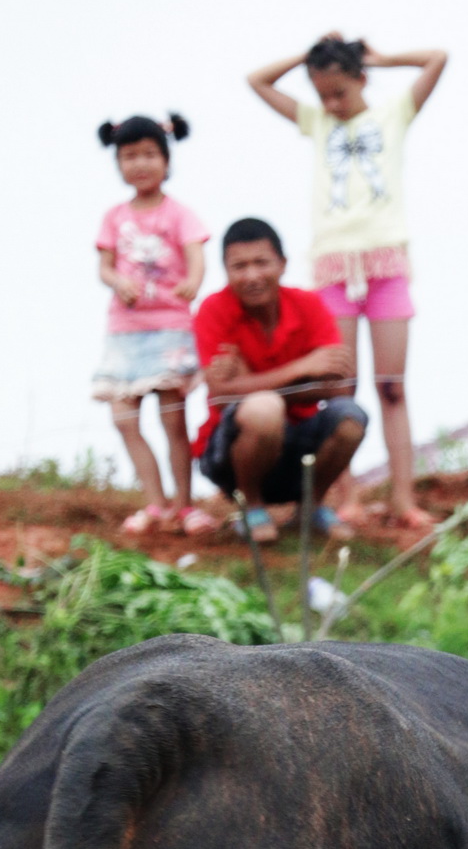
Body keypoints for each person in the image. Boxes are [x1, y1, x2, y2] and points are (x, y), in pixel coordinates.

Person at [249, 33, 448, 530]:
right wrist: (307, 53)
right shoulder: (316, 123)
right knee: (341, 387)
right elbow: (256, 80)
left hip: (386, 264)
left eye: (340, 92)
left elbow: (437, 57)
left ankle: (403, 499)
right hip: (333, 265)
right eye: (323, 95)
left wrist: (380, 57)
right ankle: (345, 496)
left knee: (392, 387)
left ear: (361, 79)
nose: (332, 104)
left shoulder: (394, 113)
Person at [192, 220, 367, 542]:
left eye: (261, 263)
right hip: (229, 452)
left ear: (282, 264)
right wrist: (302, 369)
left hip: (299, 443)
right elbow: (220, 394)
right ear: (226, 271)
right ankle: (253, 508)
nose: (252, 276)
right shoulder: (212, 310)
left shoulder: (309, 304)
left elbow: (341, 387)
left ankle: (310, 508)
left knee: (351, 417)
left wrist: (249, 383)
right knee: (263, 410)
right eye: (239, 266)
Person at [90, 114, 212, 535]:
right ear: (118, 162)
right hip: (125, 330)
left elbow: (196, 256)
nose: (139, 164)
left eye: (148, 154)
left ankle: (184, 505)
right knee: (123, 418)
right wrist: (117, 281)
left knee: (172, 419)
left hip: (169, 327)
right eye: (129, 156)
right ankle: (154, 503)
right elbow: (104, 266)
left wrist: (193, 283)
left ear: (165, 159)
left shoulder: (180, 214)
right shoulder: (113, 216)